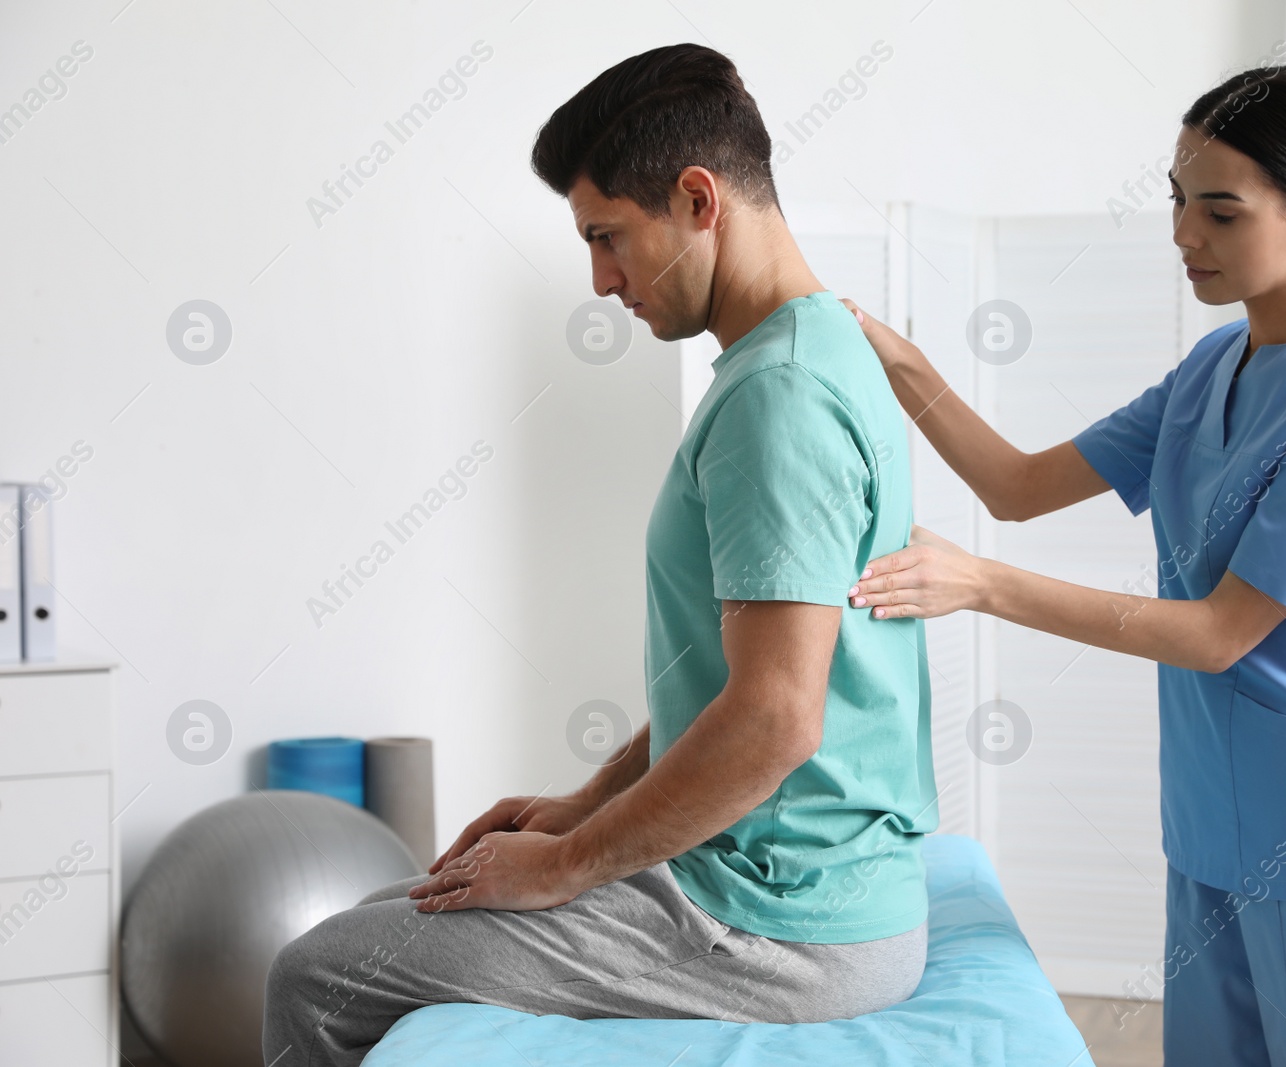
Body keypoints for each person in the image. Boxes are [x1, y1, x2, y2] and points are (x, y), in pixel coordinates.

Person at [262, 43, 934, 1067]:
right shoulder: (816, 344)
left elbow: (775, 716)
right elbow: (744, 678)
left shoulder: (777, 399)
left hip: (778, 926)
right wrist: (590, 798)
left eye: (608, 237)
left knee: (315, 973)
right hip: (796, 886)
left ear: (698, 198)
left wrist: (570, 861)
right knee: (385, 905)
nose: (600, 278)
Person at [841, 65, 1286, 1067]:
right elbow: (1015, 482)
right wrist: (898, 360)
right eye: (1177, 201)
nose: (1183, 234)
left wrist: (984, 584)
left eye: (1219, 210)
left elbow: (1219, 632)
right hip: (1209, 821)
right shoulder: (1212, 368)